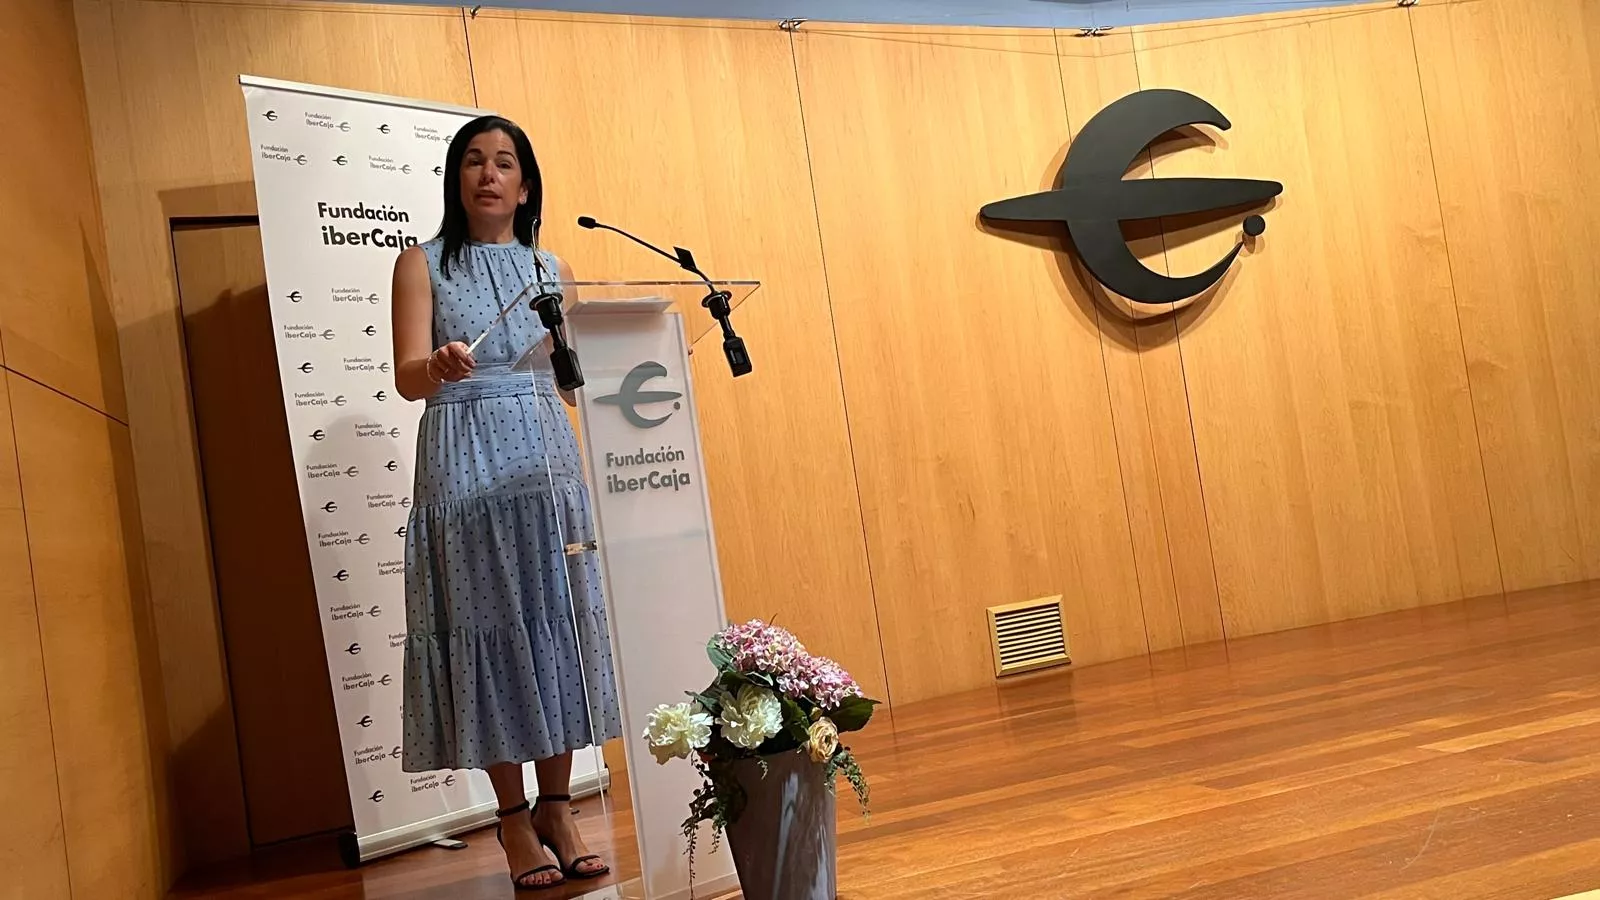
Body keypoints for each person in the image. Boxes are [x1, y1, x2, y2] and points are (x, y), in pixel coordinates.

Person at [391, 115, 622, 890]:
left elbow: (573, 377)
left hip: (544, 455)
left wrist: (608, 361)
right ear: (456, 179)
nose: (489, 174)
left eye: (505, 162)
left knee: (551, 617)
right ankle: (513, 820)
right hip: (464, 456)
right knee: (485, 623)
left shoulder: (551, 265)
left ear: (526, 184)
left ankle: (558, 806)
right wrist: (439, 365)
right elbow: (406, 377)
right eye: (473, 162)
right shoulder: (421, 263)